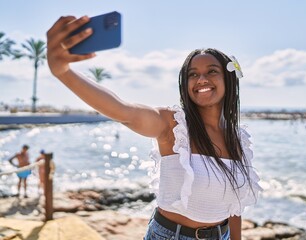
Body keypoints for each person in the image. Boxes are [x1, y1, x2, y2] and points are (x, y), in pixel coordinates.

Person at [47, 16, 262, 240]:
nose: (201, 79)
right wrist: (64, 72)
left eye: (212, 71)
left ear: (229, 79)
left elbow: (234, 206)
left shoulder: (238, 137)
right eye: (193, 74)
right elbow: (123, 111)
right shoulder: (173, 125)